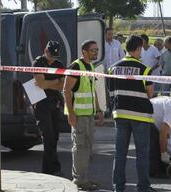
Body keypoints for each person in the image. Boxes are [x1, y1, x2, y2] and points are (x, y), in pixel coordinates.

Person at [107, 35, 155, 192]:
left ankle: (118, 187)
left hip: (120, 114)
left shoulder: (112, 68)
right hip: (140, 116)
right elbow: (150, 93)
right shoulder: (144, 69)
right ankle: (143, 187)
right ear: (138, 48)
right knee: (142, 154)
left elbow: (110, 91)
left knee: (120, 153)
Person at [63, 40, 104, 191]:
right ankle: (79, 181)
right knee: (80, 147)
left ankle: (83, 178)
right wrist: (71, 113)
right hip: (78, 116)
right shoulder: (76, 66)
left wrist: (99, 110)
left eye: (97, 50)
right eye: (93, 50)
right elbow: (66, 90)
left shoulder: (91, 66)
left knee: (87, 148)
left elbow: (92, 91)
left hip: (88, 115)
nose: (96, 52)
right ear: (84, 52)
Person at [32, 41, 65, 176]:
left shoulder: (59, 64)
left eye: (54, 56)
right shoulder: (38, 63)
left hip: (54, 102)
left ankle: (54, 166)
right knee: (48, 136)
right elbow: (41, 84)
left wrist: (48, 83)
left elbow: (62, 85)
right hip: (41, 103)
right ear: (45, 50)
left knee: (55, 136)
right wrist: (55, 82)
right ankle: (48, 169)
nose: (52, 58)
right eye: (50, 54)